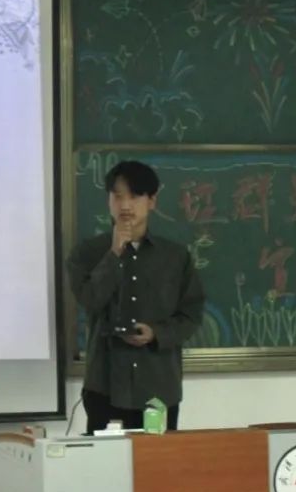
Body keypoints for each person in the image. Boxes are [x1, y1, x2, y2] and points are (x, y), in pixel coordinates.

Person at [66, 160, 204, 434]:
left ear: (151, 201)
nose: (125, 205)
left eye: (134, 196)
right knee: (107, 460)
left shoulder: (175, 257)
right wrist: (114, 253)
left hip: (158, 389)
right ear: (109, 200)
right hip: (105, 386)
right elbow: (90, 300)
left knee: (158, 460)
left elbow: (191, 314)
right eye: (117, 196)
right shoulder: (87, 253)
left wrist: (156, 333)